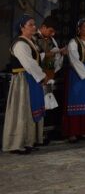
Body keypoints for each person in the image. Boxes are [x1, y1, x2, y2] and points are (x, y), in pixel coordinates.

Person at [2, 15, 46, 154]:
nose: (34, 27)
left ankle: (29, 141)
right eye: (30, 25)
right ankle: (17, 143)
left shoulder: (31, 41)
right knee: (22, 110)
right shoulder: (20, 44)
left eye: (34, 24)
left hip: (32, 77)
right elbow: (29, 63)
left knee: (30, 109)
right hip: (22, 80)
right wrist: (42, 76)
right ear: (22, 27)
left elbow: (37, 58)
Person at [33, 15, 65, 141]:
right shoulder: (33, 38)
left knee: (46, 106)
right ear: (43, 27)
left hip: (48, 75)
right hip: (36, 76)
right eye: (51, 31)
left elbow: (56, 58)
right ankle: (34, 136)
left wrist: (60, 54)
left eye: (54, 32)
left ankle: (42, 135)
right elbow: (34, 56)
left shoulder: (52, 39)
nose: (52, 34)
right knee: (36, 105)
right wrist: (49, 54)